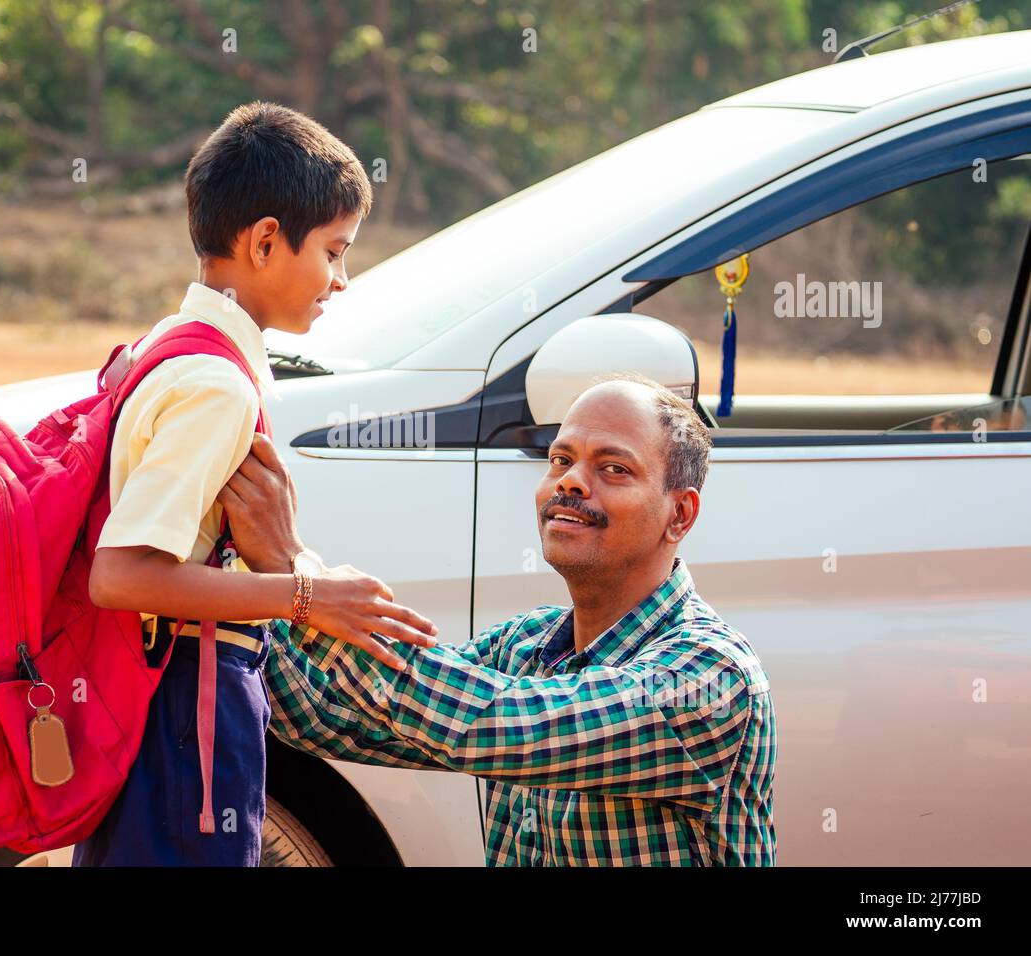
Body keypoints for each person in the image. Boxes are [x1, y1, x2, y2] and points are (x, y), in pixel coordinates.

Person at [74, 101, 437, 867]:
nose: (341, 281)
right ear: (266, 240)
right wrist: (304, 597)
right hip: (185, 715)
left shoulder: (174, 346)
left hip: (161, 708)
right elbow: (123, 573)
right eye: (335, 252)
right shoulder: (216, 386)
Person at [218, 374, 778, 865]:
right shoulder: (527, 645)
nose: (571, 482)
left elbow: (494, 724)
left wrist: (296, 571)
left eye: (613, 468)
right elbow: (332, 719)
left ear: (679, 513)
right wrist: (237, 589)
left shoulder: (709, 676)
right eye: (561, 460)